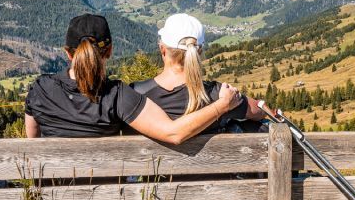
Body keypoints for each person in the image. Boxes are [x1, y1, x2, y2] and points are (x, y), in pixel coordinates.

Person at [24, 13, 241, 144]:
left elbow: (31, 143)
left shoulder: (39, 89)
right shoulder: (118, 95)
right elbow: (173, 133)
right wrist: (222, 104)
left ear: (68, 52)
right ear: (109, 51)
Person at [132, 13, 265, 132]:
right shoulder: (219, 94)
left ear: (163, 49)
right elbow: (260, 111)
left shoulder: (135, 93)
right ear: (199, 52)